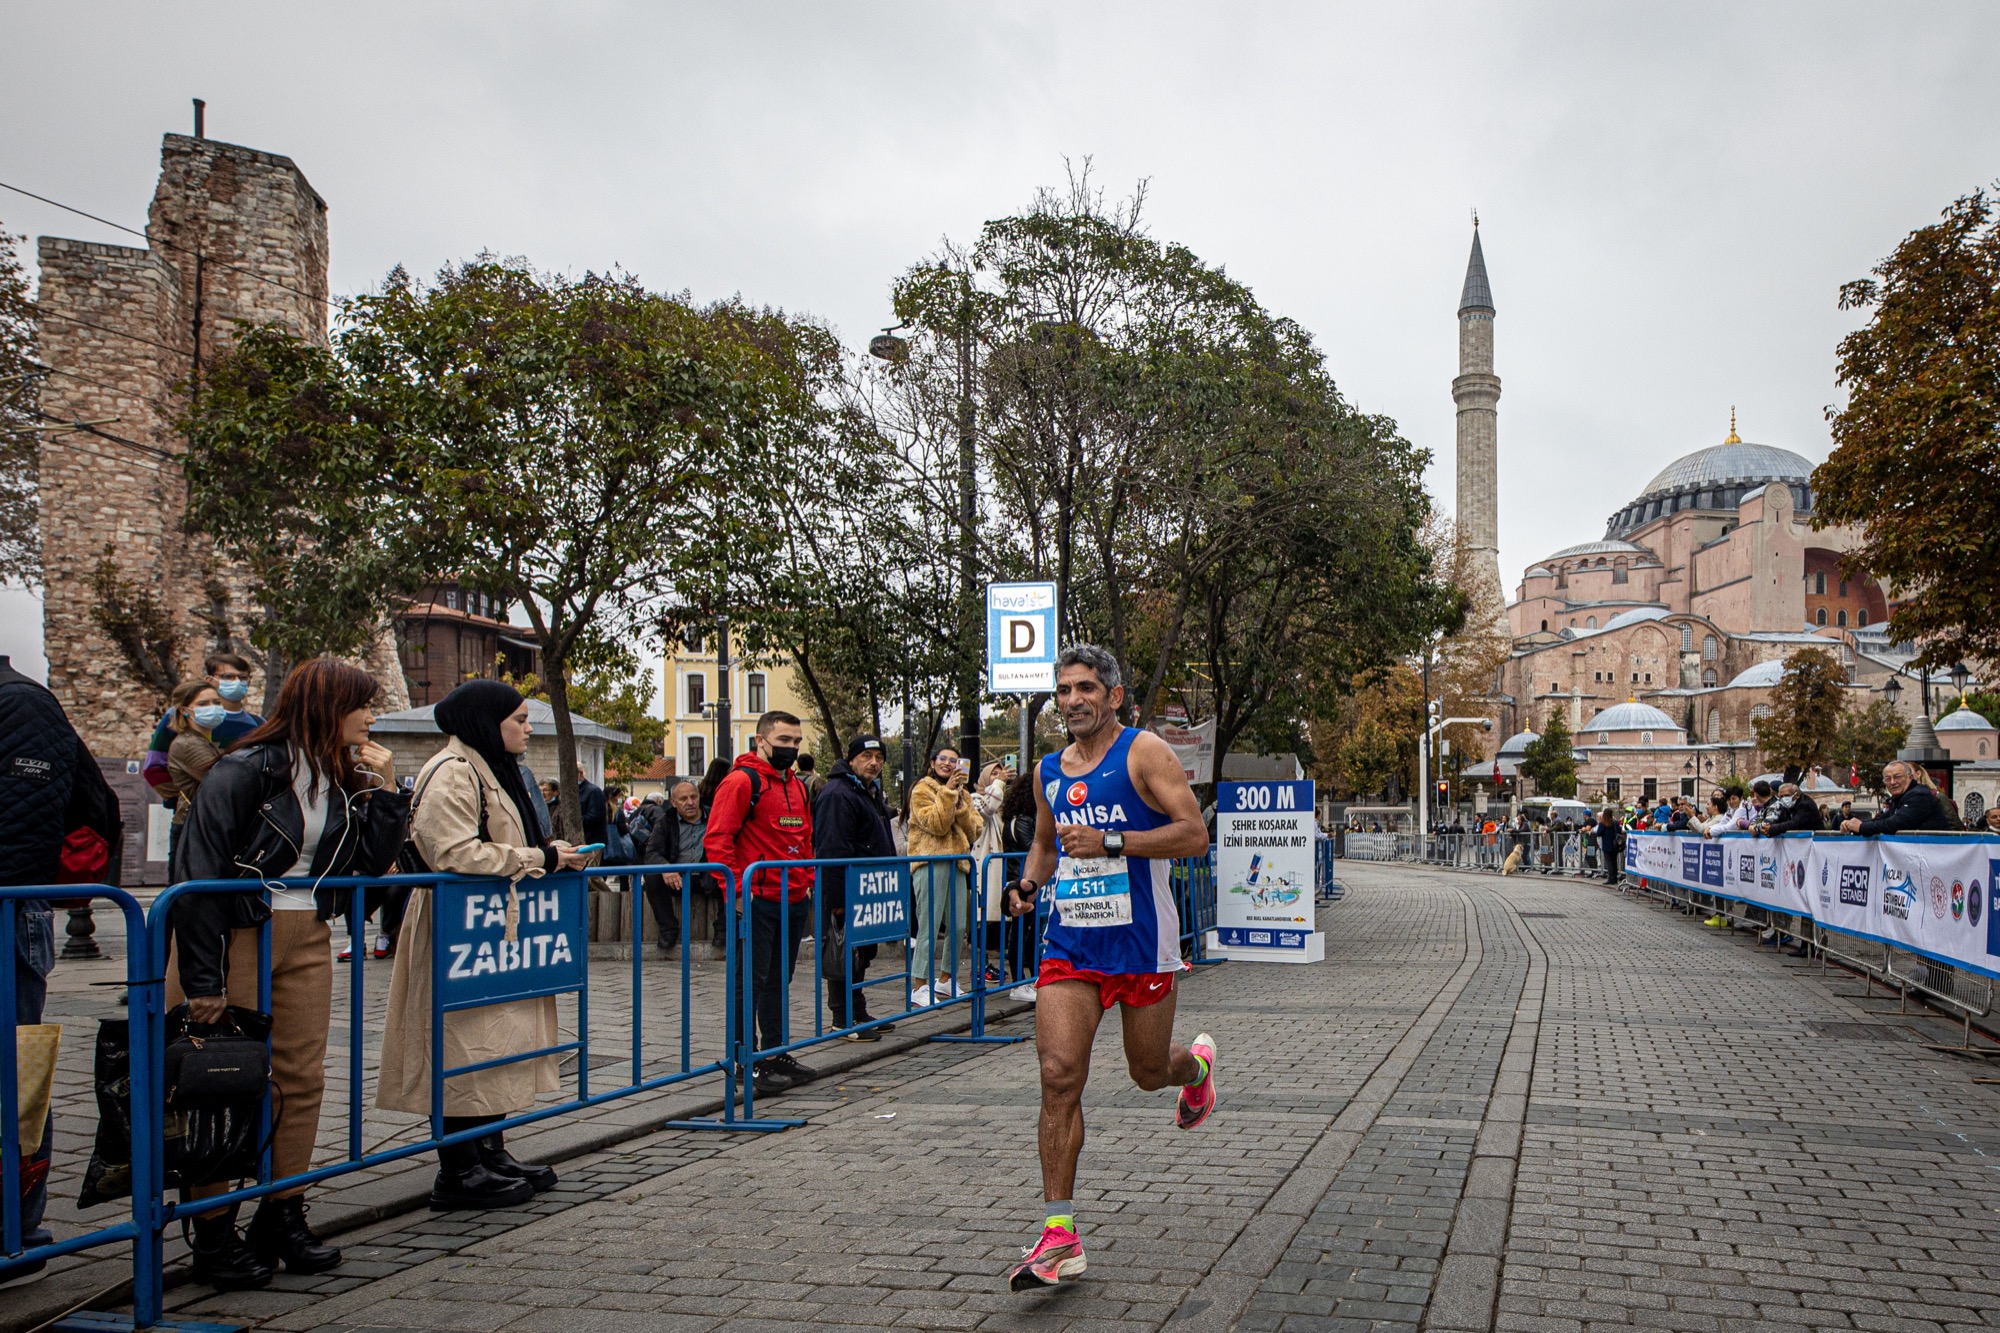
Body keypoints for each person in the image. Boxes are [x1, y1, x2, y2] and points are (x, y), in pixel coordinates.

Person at [170, 658, 408, 1287]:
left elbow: (373, 867)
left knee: (302, 1078)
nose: (372, 715)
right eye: (362, 703)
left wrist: (382, 790)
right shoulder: (246, 769)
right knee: (221, 1078)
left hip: (307, 932)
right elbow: (196, 872)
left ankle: (283, 1211)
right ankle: (213, 1231)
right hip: (240, 931)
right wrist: (202, 982)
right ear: (327, 705)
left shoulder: (342, 776)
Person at [998, 645, 1216, 1292]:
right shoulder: (1048, 769)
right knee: (1059, 1073)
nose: (1073, 700)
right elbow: (1044, 842)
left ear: (1114, 695)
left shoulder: (1145, 752)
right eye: (1064, 690)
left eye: (1086, 688)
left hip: (1142, 943)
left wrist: (1115, 840)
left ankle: (1194, 1068)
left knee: (1149, 1072)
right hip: (1072, 943)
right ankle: (1059, 1233)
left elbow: (1193, 833)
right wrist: (1028, 885)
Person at [377, 681, 589, 1211]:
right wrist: (540, 859)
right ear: (485, 721)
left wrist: (547, 853)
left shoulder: (492, 767)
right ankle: (458, 1168)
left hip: (494, 927)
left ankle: (490, 1151)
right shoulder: (452, 771)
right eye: (519, 719)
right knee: (463, 1042)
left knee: (497, 1042)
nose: (528, 727)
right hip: (459, 928)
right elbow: (453, 852)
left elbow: (504, 843)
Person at [0, 654, 118, 1282]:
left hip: (7, 918)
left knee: (14, 1080)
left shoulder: (20, 702)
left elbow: (23, 833)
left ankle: (15, 1229)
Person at [704, 710, 818, 1095]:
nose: (791, 748)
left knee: (777, 981)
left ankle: (774, 1052)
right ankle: (742, 1060)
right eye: (784, 740)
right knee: (748, 983)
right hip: (756, 900)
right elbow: (718, 841)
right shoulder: (741, 782)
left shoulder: (798, 786)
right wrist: (736, 891)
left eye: (796, 742)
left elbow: (804, 840)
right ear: (761, 741)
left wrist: (808, 881)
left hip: (793, 898)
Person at [813, 735, 896, 1038]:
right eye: (867, 756)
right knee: (843, 954)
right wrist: (838, 899)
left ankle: (857, 1012)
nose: (874, 763)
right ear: (851, 759)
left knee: (860, 955)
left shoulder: (866, 791)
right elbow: (833, 848)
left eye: (879, 757)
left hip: (866, 889)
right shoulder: (838, 793)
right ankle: (843, 1019)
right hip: (847, 889)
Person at [908, 747, 982, 1005]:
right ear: (932, 763)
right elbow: (937, 825)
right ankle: (919, 984)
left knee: (959, 925)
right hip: (931, 861)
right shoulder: (922, 790)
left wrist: (959, 802)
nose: (949, 764)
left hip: (958, 863)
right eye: (943, 759)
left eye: (954, 760)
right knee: (929, 923)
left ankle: (946, 980)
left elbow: (974, 831)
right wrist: (949, 792)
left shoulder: (964, 795)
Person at [142, 652, 265, 801]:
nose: (236, 682)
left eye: (242, 677)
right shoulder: (181, 716)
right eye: (227, 677)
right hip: (198, 816)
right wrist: (184, 803)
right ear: (210, 679)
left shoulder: (259, 724)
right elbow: (154, 768)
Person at [643, 780, 724, 960]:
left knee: (729, 873)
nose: (690, 802)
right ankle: (668, 929)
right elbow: (652, 853)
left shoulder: (715, 817)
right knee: (652, 877)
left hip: (709, 875)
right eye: (683, 799)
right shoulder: (665, 822)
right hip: (677, 877)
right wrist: (666, 867)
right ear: (673, 802)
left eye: (693, 797)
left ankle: (723, 931)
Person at [163, 679, 226, 868]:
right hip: (192, 830)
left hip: (201, 827)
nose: (212, 708)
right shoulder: (189, 744)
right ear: (184, 710)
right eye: (203, 704)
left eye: (216, 702)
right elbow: (223, 780)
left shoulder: (203, 740)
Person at [999, 771, 1043, 999]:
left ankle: (1029, 977)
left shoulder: (1024, 818)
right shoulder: (1022, 820)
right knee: (1020, 932)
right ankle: (1018, 982)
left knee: (1029, 932)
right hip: (1021, 881)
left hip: (1026, 881)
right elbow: (1033, 848)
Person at [1839, 761, 1951, 835]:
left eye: (1897, 777)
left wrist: (1862, 827)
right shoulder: (1897, 799)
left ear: (1910, 777)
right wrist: (1854, 826)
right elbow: (1883, 819)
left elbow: (1895, 824)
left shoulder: (1919, 796)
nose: (1892, 782)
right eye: (1888, 779)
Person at [576, 764, 608, 848]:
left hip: (591, 840)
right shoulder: (571, 791)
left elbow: (594, 816)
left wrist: (574, 822)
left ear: (580, 773)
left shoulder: (593, 791)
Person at [1595, 806, 1625, 886]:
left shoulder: (1602, 823)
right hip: (1615, 845)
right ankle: (1614, 878)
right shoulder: (1615, 822)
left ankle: (1610, 878)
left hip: (1606, 845)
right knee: (1614, 862)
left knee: (1609, 862)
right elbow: (1619, 831)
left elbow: (1598, 833)